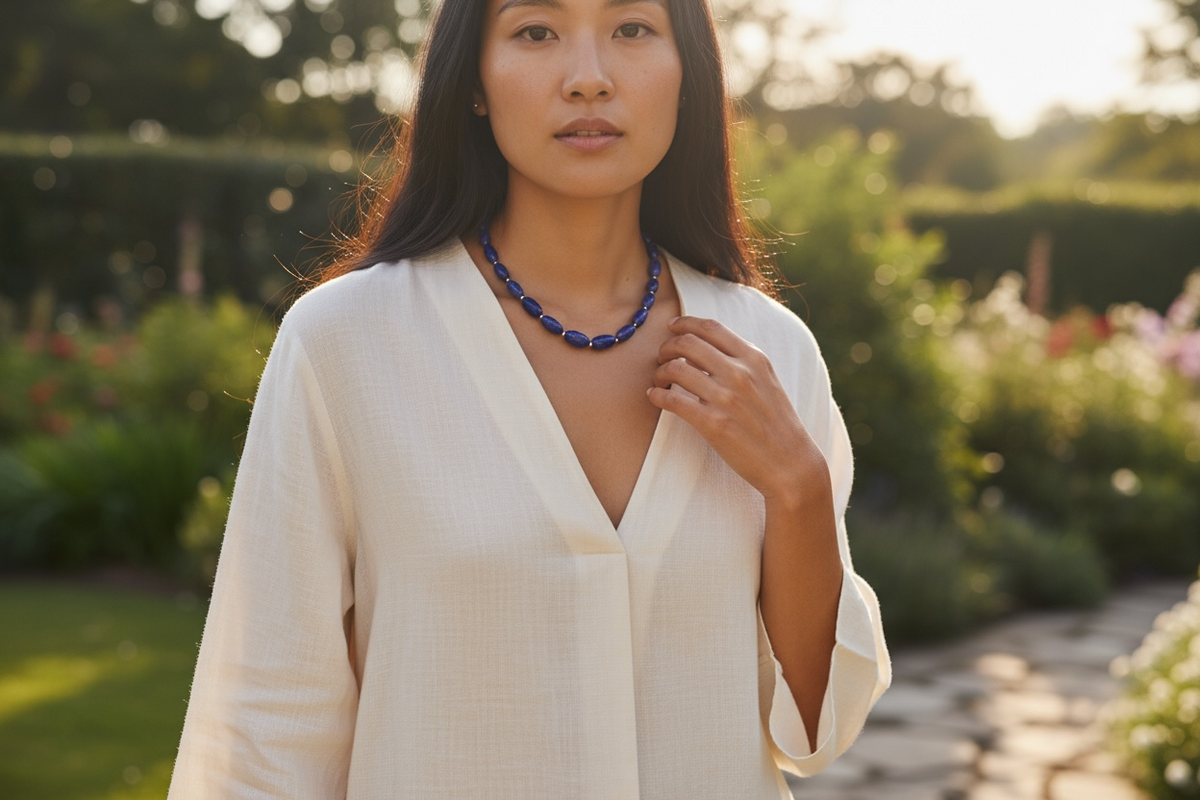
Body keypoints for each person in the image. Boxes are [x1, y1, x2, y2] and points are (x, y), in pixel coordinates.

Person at [166, 0, 890, 795]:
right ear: (473, 80)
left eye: (633, 29)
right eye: (535, 31)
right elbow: (266, 719)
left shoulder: (772, 351)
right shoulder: (346, 342)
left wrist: (798, 488)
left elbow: (817, 727)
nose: (589, 79)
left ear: (689, 71)